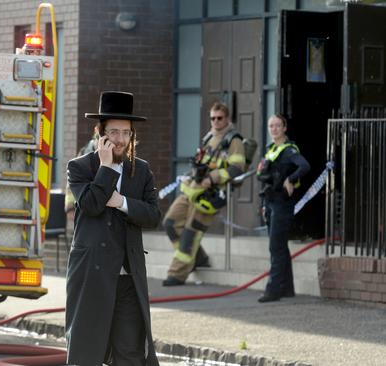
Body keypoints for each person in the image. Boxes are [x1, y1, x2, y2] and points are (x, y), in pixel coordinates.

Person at [65, 91, 161, 365]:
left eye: (126, 133)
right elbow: (93, 205)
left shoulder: (141, 170)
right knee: (86, 350)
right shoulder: (80, 167)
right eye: (114, 132)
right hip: (91, 273)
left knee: (130, 351)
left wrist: (122, 203)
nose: (120, 140)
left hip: (128, 277)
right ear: (100, 134)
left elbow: (154, 215)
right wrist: (106, 167)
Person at [162, 102, 246, 286]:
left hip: (210, 195)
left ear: (227, 118)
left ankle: (177, 274)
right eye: (213, 118)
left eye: (219, 118)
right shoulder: (208, 137)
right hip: (193, 189)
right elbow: (200, 162)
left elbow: (237, 168)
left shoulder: (234, 140)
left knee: (190, 233)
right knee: (170, 223)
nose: (215, 121)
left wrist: (213, 178)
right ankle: (198, 258)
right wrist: (189, 176)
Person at [256, 114, 310, 303]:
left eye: (278, 125)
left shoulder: (289, 150)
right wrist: (264, 205)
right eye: (271, 126)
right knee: (280, 246)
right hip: (270, 202)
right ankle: (287, 288)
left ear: (285, 128)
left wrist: (291, 179)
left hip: (282, 203)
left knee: (275, 246)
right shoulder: (271, 149)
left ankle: (273, 290)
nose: (274, 129)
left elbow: (304, 166)